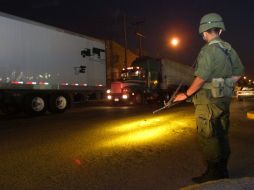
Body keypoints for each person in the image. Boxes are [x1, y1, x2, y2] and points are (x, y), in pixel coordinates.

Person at [173, 13, 244, 183]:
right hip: (223, 99)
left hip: (208, 101)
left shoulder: (208, 50)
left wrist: (186, 94)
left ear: (204, 32)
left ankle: (214, 173)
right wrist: (224, 84)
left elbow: (201, 78)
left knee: (208, 136)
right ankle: (223, 170)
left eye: (202, 33)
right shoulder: (228, 48)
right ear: (220, 29)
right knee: (221, 133)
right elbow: (239, 72)